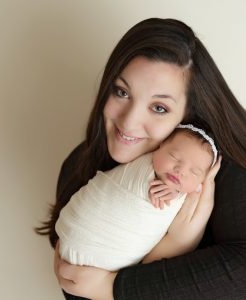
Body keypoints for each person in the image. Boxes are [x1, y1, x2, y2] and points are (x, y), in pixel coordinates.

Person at [36, 18, 246, 299]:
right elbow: (78, 286)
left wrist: (114, 287)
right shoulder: (78, 166)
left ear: (187, 115)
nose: (129, 122)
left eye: (159, 107)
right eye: (122, 92)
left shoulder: (225, 167)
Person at [55, 124, 220, 271]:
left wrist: (177, 193)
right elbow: (144, 180)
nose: (180, 170)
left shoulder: (190, 197)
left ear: (202, 182)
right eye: (174, 157)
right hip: (78, 232)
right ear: (159, 146)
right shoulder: (142, 164)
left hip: (104, 259)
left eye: (194, 172)